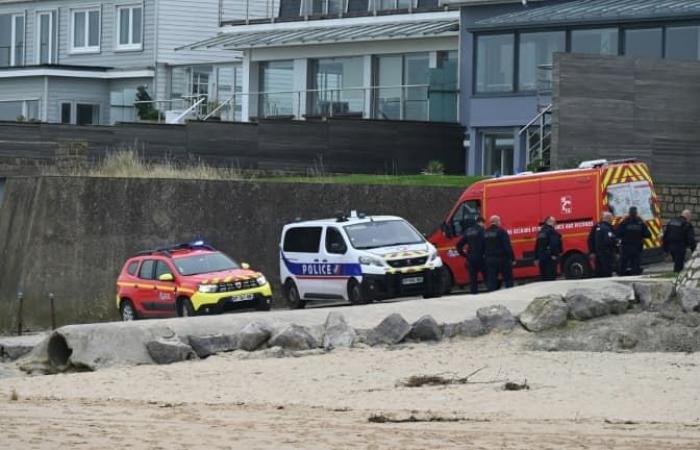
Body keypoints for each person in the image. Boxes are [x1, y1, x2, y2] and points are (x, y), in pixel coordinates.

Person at [616, 207, 651, 276]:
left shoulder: (625, 222)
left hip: (626, 247)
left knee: (624, 263)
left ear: (629, 213)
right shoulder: (640, 223)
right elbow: (648, 234)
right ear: (636, 213)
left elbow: (618, 233)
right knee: (636, 263)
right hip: (637, 247)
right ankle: (635, 275)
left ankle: (621, 275)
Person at [483, 215, 514, 291]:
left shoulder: (485, 232)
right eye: (499, 221)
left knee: (492, 279)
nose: (500, 223)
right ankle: (510, 293)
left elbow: (482, 246)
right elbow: (507, 246)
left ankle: (492, 295)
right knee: (508, 278)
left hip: (489, 259)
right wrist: (512, 258)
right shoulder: (501, 231)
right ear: (496, 222)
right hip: (502, 259)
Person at [456, 216, 486, 294]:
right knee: (487, 277)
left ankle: (474, 294)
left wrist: (464, 255)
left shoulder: (468, 231)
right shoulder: (481, 230)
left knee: (473, 279)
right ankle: (491, 292)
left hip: (471, 257)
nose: (484, 225)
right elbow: (485, 243)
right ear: (481, 222)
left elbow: (459, 245)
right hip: (481, 257)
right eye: (483, 223)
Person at [534, 216, 562, 281]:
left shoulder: (541, 232)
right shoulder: (552, 231)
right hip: (550, 259)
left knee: (544, 278)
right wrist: (554, 255)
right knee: (551, 278)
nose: (555, 223)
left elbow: (537, 246)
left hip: (542, 259)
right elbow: (554, 244)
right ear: (549, 222)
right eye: (554, 222)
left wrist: (536, 258)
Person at [593, 212, 619, 277]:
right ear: (608, 218)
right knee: (607, 271)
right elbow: (609, 240)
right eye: (611, 218)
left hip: (599, 254)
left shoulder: (598, 227)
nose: (612, 219)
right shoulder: (606, 228)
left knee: (600, 273)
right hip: (606, 253)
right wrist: (616, 241)